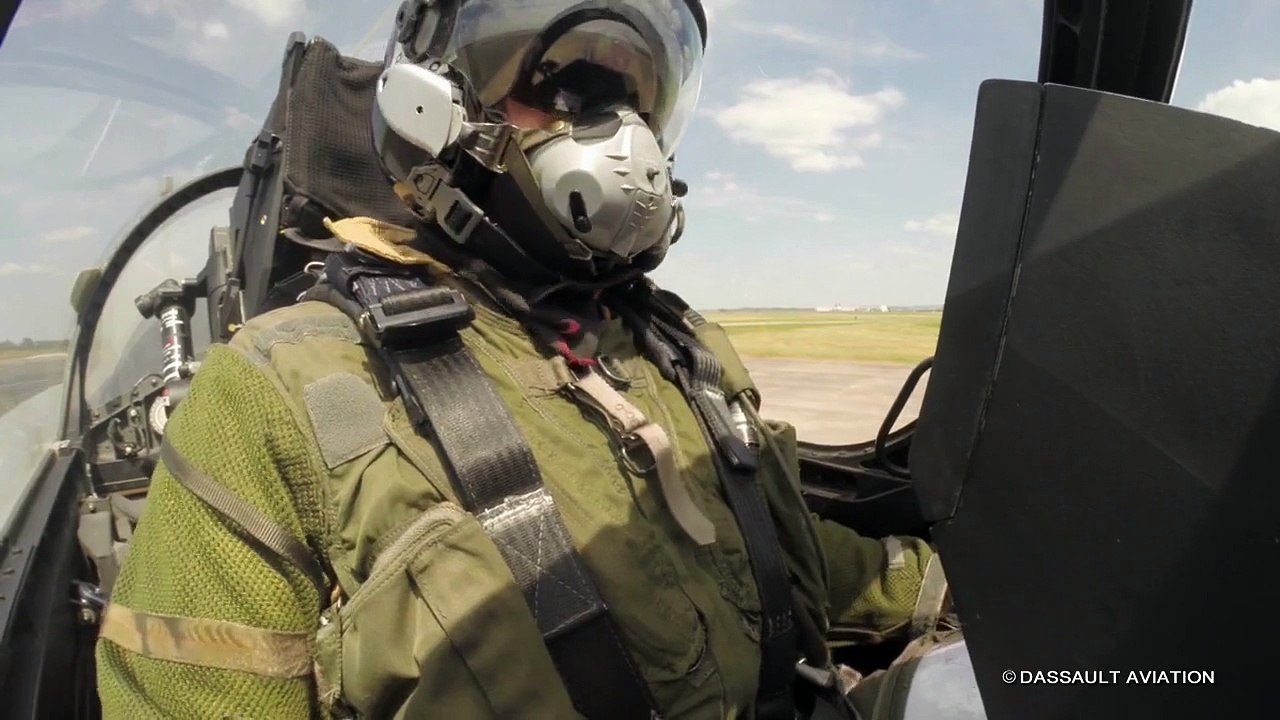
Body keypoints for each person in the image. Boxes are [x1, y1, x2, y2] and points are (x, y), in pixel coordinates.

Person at [95, 1, 951, 717]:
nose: (620, 135)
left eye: (631, 97)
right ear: (436, 102)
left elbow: (782, 561)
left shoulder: (675, 346)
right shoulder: (282, 391)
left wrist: (946, 597)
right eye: (568, 85)